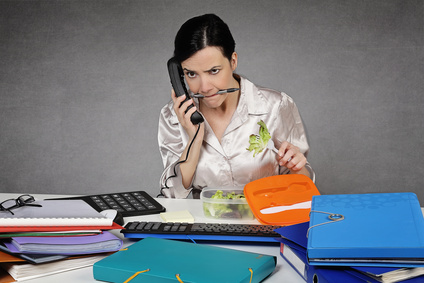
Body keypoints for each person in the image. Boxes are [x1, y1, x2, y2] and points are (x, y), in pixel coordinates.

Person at [158, 14, 314, 198]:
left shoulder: (276, 106)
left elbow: (303, 190)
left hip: (265, 219)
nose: (205, 87)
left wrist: (297, 167)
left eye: (214, 71)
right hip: (205, 222)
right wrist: (194, 140)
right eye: (191, 74)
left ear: (233, 61)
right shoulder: (173, 116)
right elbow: (173, 198)